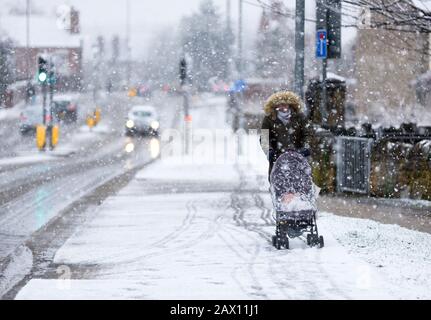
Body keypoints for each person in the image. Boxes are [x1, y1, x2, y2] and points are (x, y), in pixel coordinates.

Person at [260, 91, 311, 182]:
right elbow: (264, 138)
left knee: (298, 182)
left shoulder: (300, 117)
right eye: (279, 104)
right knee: (278, 183)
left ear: (290, 105)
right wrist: (269, 151)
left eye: (284, 104)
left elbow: (307, 134)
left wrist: (306, 147)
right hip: (277, 157)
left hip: (297, 156)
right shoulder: (269, 118)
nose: (282, 107)